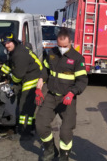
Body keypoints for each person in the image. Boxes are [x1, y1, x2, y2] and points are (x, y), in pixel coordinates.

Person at [35, 28, 88, 161]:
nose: (62, 48)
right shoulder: (52, 53)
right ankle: (50, 150)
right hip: (51, 96)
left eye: (65, 46)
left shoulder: (77, 58)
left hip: (67, 99)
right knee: (40, 124)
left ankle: (64, 156)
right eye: (59, 45)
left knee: (65, 131)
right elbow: (46, 69)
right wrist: (41, 79)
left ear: (71, 42)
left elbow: (82, 81)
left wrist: (72, 92)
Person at [0, 32, 43, 140]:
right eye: (4, 44)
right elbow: (10, 64)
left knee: (24, 107)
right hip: (30, 77)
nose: (6, 45)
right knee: (28, 107)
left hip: (32, 80)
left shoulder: (19, 54)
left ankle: (24, 133)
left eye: (8, 43)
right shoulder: (16, 51)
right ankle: (31, 127)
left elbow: (18, 75)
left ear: (13, 41)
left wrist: (11, 82)